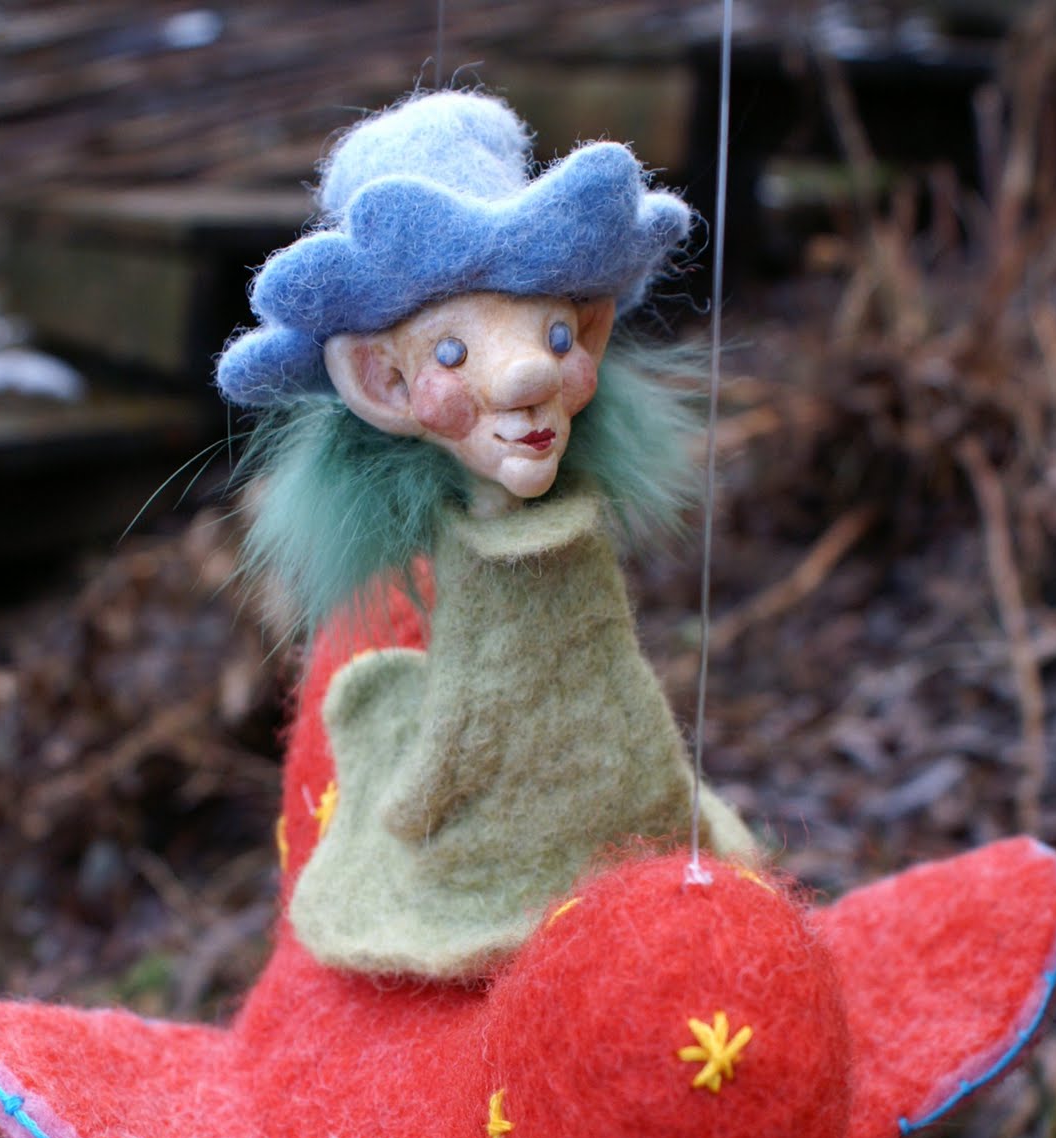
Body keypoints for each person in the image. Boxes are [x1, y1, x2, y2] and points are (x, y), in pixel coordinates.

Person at [217, 90, 756, 979]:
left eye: (556, 334)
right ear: (380, 385)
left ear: (591, 331)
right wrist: (426, 787)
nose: (529, 374)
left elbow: (605, 679)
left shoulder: (566, 527)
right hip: (497, 855)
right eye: (452, 353)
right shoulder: (473, 554)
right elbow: (477, 702)